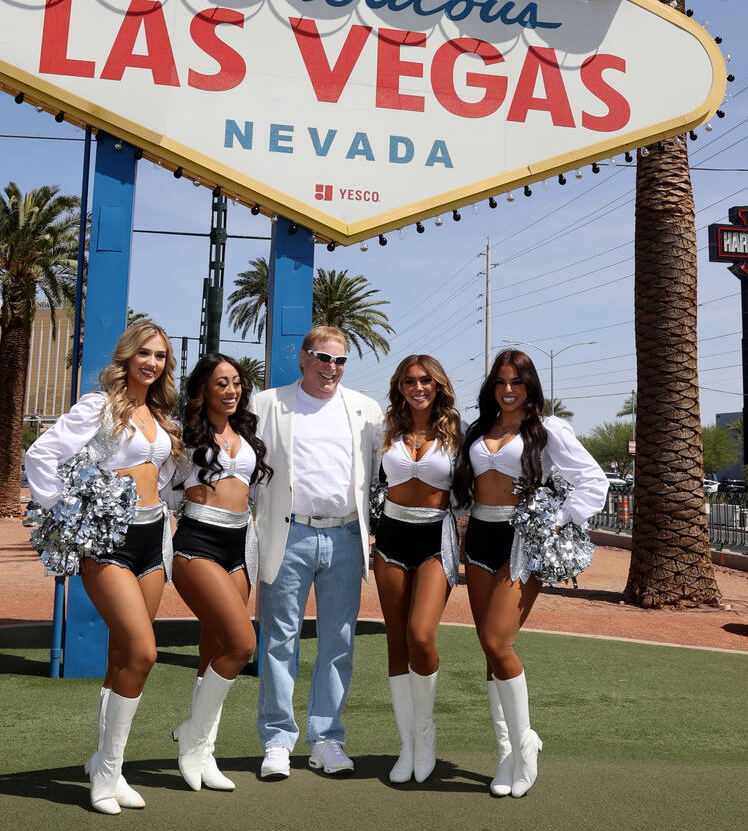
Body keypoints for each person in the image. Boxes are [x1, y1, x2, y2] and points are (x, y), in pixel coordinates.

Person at [25, 322, 181, 815]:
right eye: (144, 353)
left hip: (153, 539)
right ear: (127, 356)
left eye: (160, 356)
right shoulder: (97, 406)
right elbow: (41, 454)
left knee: (122, 656)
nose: (151, 362)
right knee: (143, 651)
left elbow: (167, 475)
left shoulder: (160, 415)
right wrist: (68, 512)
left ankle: (105, 764)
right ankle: (108, 773)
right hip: (107, 540)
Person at [452, 348, 608, 798]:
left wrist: (556, 518)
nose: (507, 390)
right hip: (477, 540)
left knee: (499, 642)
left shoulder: (548, 429)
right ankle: (505, 754)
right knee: (489, 648)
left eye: (516, 382)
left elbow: (593, 480)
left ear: (530, 386)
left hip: (521, 544)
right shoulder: (477, 429)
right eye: (500, 382)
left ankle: (525, 749)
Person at [251, 326, 383, 780]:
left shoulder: (368, 410)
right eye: (323, 358)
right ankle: (276, 741)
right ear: (303, 359)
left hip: (346, 538)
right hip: (289, 536)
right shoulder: (265, 404)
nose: (332, 368)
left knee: (338, 642)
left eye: (340, 361)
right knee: (279, 640)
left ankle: (327, 739)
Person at [170, 353, 272, 791]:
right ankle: (192, 739)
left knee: (213, 647)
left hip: (240, 543)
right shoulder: (183, 433)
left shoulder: (247, 432)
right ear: (202, 390)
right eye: (220, 384)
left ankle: (203, 748)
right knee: (241, 643)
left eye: (236, 383)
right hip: (198, 540)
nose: (231, 391)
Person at [374, 354, 463, 784]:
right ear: (400, 387)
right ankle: (406, 744)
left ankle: (425, 733)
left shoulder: (457, 432)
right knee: (396, 640)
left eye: (425, 380)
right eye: (409, 381)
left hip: (434, 539)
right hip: (390, 538)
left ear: (438, 385)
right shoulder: (384, 428)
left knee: (421, 635)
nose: (418, 388)